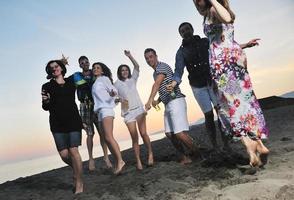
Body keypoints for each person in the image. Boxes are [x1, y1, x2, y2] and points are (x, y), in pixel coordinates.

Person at [192, 0, 269, 167]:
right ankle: (260, 146)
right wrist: (245, 45)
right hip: (231, 59)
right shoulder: (210, 13)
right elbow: (225, 41)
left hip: (223, 66)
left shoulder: (214, 10)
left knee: (229, 105)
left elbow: (227, 19)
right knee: (244, 102)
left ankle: (250, 148)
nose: (196, 3)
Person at [167, 22, 260, 151]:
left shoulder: (205, 42)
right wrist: (174, 83)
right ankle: (215, 145)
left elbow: (224, 48)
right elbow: (178, 71)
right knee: (208, 115)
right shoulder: (181, 52)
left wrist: (246, 45)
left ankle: (226, 143)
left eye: (187, 29)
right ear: (180, 35)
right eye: (182, 31)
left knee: (220, 112)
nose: (186, 32)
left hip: (213, 83)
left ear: (192, 30)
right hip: (198, 87)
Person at [144, 48, 199, 165]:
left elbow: (157, 84)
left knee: (179, 133)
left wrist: (150, 100)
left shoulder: (161, 67)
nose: (149, 60)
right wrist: (158, 101)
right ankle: (185, 156)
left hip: (176, 101)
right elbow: (163, 88)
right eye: (147, 58)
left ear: (156, 56)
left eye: (151, 57)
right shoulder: (155, 72)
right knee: (169, 134)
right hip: (167, 103)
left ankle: (198, 154)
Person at [41, 59, 83, 194]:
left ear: (61, 68)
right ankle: (76, 171)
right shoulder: (46, 86)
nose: (54, 68)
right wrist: (46, 100)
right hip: (57, 123)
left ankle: (79, 182)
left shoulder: (71, 81)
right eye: (51, 67)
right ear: (49, 71)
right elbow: (45, 107)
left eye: (56, 66)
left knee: (74, 151)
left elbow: (84, 82)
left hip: (74, 121)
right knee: (64, 155)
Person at [114, 50, 154, 170]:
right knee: (134, 137)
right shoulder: (116, 84)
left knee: (143, 133)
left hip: (139, 110)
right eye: (123, 70)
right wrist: (119, 100)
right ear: (119, 73)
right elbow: (114, 99)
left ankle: (150, 154)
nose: (125, 72)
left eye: (126, 70)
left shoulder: (133, 79)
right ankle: (138, 160)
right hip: (128, 113)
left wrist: (129, 56)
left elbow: (137, 66)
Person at [73, 56, 111, 171]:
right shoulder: (77, 75)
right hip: (85, 106)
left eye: (86, 62)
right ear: (80, 65)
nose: (85, 64)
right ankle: (91, 159)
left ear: (89, 63)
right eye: (82, 62)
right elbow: (83, 85)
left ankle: (106, 157)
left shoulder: (95, 73)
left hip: (97, 104)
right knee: (90, 133)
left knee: (102, 133)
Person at [91, 62, 125, 174]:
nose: (95, 69)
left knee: (109, 137)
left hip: (106, 110)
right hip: (100, 112)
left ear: (102, 71)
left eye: (97, 68)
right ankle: (118, 161)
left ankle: (120, 161)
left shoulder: (104, 79)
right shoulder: (95, 82)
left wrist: (112, 93)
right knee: (105, 138)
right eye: (94, 68)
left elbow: (113, 90)